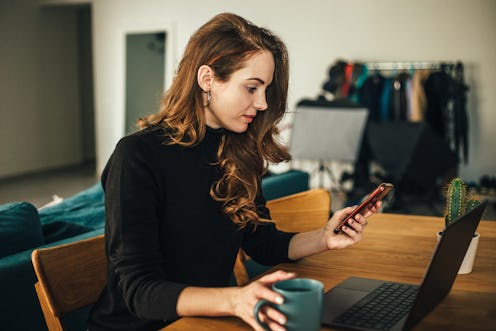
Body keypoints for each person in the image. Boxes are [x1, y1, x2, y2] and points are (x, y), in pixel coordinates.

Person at [88, 12, 379, 331]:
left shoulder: (239, 151)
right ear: (207, 79)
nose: (264, 103)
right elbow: (141, 294)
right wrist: (236, 300)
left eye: (265, 89)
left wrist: (324, 237)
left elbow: (262, 242)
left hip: (205, 320)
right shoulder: (137, 156)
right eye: (252, 88)